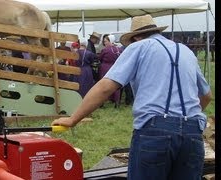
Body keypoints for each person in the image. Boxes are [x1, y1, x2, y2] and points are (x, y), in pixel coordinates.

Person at [52, 14, 212, 180]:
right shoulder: (186, 51)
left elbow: (106, 88)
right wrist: (181, 122)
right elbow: (206, 96)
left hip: (155, 132)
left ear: (136, 37)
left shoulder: (140, 47)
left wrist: (72, 119)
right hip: (192, 132)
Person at [98, 34, 121, 108]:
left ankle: (102, 102)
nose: (105, 43)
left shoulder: (105, 50)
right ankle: (116, 102)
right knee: (116, 85)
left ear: (110, 41)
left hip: (106, 68)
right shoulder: (119, 49)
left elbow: (100, 58)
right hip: (116, 68)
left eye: (106, 41)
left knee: (104, 85)